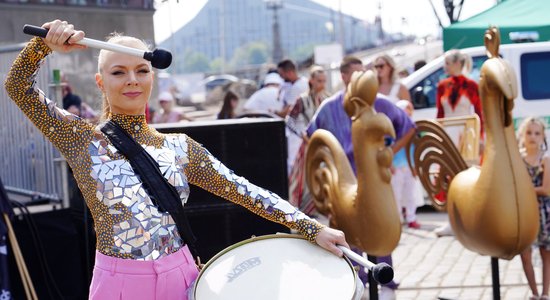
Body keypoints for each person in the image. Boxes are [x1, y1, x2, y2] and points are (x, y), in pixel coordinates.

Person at [4, 20, 349, 300]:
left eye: (141, 70)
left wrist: (311, 226)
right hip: (119, 285)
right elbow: (17, 86)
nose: (132, 81)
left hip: (182, 277)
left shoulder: (180, 147)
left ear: (153, 76)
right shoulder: (83, 140)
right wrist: (43, 46)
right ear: (100, 81)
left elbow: (243, 190)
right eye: (118, 72)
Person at [306, 56, 416, 300]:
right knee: (349, 230)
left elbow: (407, 127)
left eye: (365, 74)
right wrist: (332, 163)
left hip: (374, 177)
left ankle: (384, 277)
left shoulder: (381, 105)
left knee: (381, 226)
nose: (363, 79)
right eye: (357, 74)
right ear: (344, 77)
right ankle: (356, 277)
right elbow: (311, 135)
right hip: (345, 179)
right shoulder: (330, 107)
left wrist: (387, 152)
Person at [433, 49, 484, 237]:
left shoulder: (471, 85)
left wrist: (480, 138)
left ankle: (469, 221)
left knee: (466, 177)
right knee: (448, 178)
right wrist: (438, 137)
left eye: (447, 62)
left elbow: (479, 113)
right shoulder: (442, 86)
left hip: (466, 136)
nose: (445, 66)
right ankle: (451, 222)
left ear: (457, 63)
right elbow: (440, 114)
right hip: (448, 135)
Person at [287, 66, 330, 221]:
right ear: (311, 80)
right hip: (307, 145)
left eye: (324, 81)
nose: (322, 84)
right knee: (304, 178)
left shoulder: (327, 99)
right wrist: (302, 135)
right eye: (319, 81)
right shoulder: (302, 99)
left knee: (324, 175)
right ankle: (305, 209)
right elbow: (290, 120)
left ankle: (322, 207)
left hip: (323, 145)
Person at [517, 117, 550, 300]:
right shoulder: (518, 159)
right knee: (525, 253)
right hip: (525, 213)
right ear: (522, 135)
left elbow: (546, 189)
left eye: (537, 133)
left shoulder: (545, 160)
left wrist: (526, 190)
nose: (532, 137)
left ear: (542, 136)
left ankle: (545, 292)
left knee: (546, 252)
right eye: (529, 132)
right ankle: (534, 292)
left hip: (543, 212)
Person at [393, 100, 424, 229]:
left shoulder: (414, 130)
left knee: (410, 194)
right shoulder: (393, 131)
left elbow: (419, 147)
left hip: (410, 167)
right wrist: (390, 164)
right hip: (396, 167)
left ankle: (411, 218)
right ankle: (397, 219)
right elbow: (388, 147)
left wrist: (416, 166)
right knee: (396, 195)